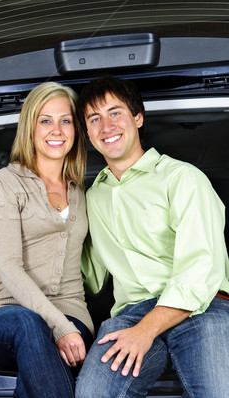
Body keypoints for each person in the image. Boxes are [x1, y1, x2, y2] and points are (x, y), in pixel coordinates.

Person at [75, 75, 229, 397]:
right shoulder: (91, 197)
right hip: (130, 314)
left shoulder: (182, 179)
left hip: (204, 307)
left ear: (138, 118)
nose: (106, 126)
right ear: (87, 133)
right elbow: (88, 276)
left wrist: (145, 331)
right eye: (94, 119)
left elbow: (199, 271)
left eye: (115, 113)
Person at [0, 82, 94, 398]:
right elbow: (8, 267)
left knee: (38, 368)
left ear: (76, 130)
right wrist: (59, 327)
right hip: (4, 314)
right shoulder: (5, 184)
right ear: (30, 128)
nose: (57, 129)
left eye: (65, 120)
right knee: (32, 326)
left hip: (71, 312)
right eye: (45, 120)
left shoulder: (79, 191)